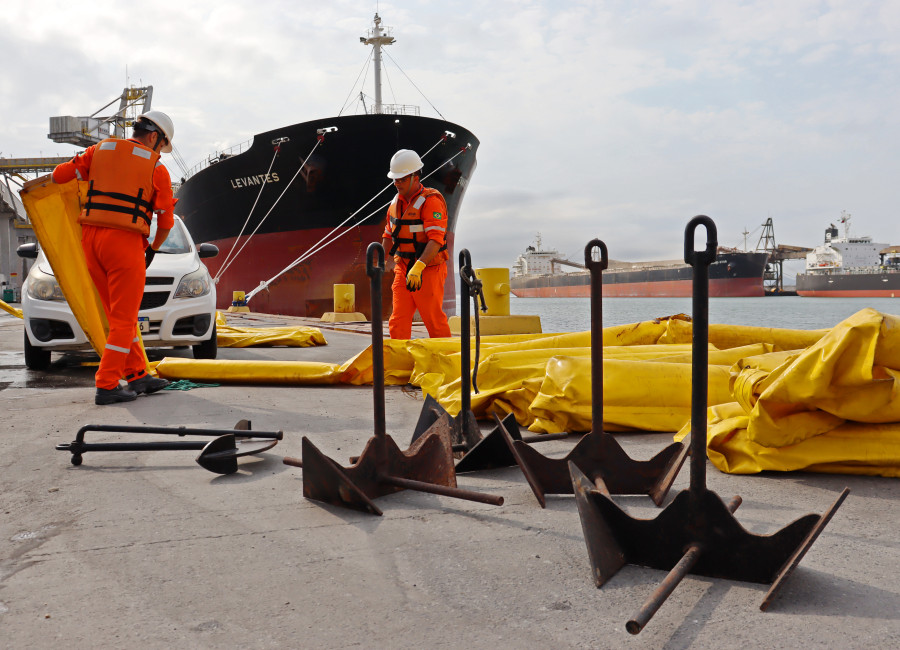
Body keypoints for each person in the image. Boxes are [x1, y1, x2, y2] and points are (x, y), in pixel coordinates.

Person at [52, 111, 175, 405]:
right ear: (155, 137)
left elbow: (58, 176)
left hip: (91, 241)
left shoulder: (99, 150)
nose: (160, 153)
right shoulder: (156, 170)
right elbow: (167, 224)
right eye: (162, 146)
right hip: (125, 243)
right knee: (124, 319)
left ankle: (136, 375)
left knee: (117, 315)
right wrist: (153, 249)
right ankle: (106, 384)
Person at [381, 149, 452, 339]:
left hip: (429, 269)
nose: (397, 183)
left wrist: (419, 266)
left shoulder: (432, 201)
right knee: (398, 319)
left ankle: (445, 360)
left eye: (401, 179)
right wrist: (379, 261)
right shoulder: (395, 203)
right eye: (395, 179)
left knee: (433, 319)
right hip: (402, 267)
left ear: (415, 176)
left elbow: (436, 239)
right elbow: (388, 234)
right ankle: (400, 361)